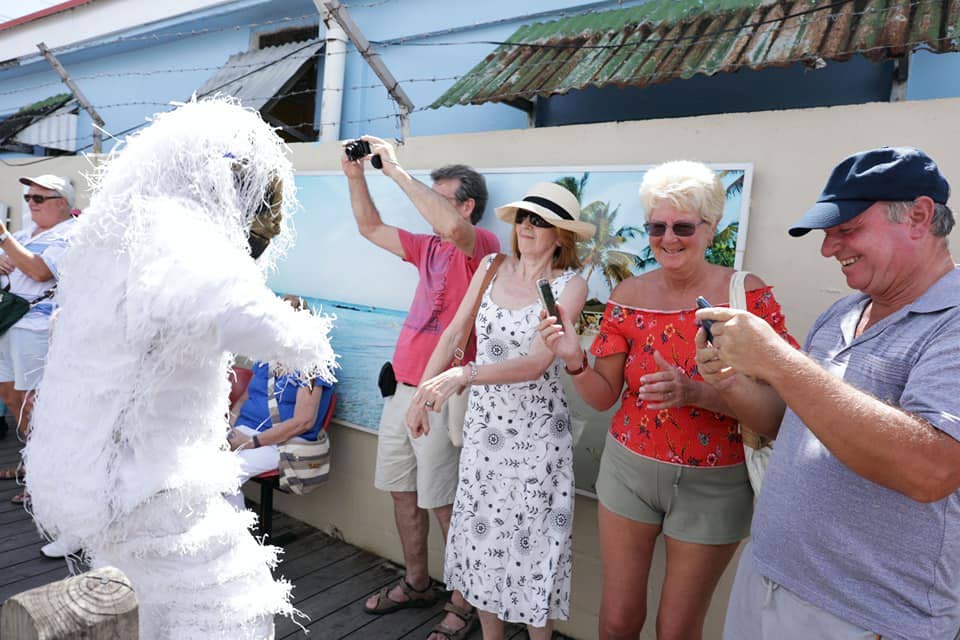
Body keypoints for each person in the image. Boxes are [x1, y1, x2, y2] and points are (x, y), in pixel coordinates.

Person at [24, 99, 337, 640]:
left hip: (107, 471)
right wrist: (305, 341)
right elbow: (221, 304)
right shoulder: (172, 227)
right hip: (149, 479)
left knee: (146, 601)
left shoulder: (118, 228)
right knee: (210, 606)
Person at [694, 147, 960, 640]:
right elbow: (789, 423)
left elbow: (933, 469)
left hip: (863, 617)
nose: (828, 249)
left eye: (847, 229)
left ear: (920, 217)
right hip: (767, 577)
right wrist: (731, 379)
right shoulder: (841, 313)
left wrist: (778, 359)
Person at [539, 161, 797, 640]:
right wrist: (574, 359)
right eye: (656, 227)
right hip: (627, 471)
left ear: (710, 227)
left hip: (715, 483)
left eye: (682, 226)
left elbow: (782, 414)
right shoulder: (628, 294)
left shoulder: (747, 297)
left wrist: (697, 392)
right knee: (616, 622)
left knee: (677, 630)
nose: (668, 238)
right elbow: (602, 398)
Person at [408, 181, 594, 640]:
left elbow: (535, 363)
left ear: (561, 236)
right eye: (525, 218)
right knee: (483, 546)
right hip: (485, 434)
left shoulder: (570, 286)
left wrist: (463, 376)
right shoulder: (491, 266)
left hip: (537, 440)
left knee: (533, 555)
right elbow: (454, 333)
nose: (528, 227)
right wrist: (421, 393)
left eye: (542, 221)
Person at [342, 135, 500, 640]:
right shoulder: (425, 246)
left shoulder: (485, 247)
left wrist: (396, 170)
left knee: (444, 500)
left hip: (444, 391)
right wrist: (356, 176)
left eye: (439, 196)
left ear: (468, 203)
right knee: (403, 493)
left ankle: (464, 600)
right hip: (401, 391)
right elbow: (369, 228)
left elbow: (453, 226)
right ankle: (417, 583)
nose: (427, 206)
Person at [0, 175, 76, 539]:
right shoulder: (29, 233)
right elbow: (12, 267)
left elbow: (39, 270)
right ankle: (31, 463)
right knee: (11, 396)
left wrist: (4, 239)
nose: (31, 203)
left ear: (62, 201)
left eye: (39, 198)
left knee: (34, 404)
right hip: (10, 323)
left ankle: (46, 481)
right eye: (28, 197)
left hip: (35, 328)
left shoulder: (72, 233)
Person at [225, 294, 335, 510]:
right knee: (195, 466)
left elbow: (302, 422)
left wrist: (249, 442)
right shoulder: (268, 356)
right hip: (243, 431)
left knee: (220, 478)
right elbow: (248, 395)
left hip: (279, 443)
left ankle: (233, 539)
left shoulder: (311, 363)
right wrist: (230, 423)